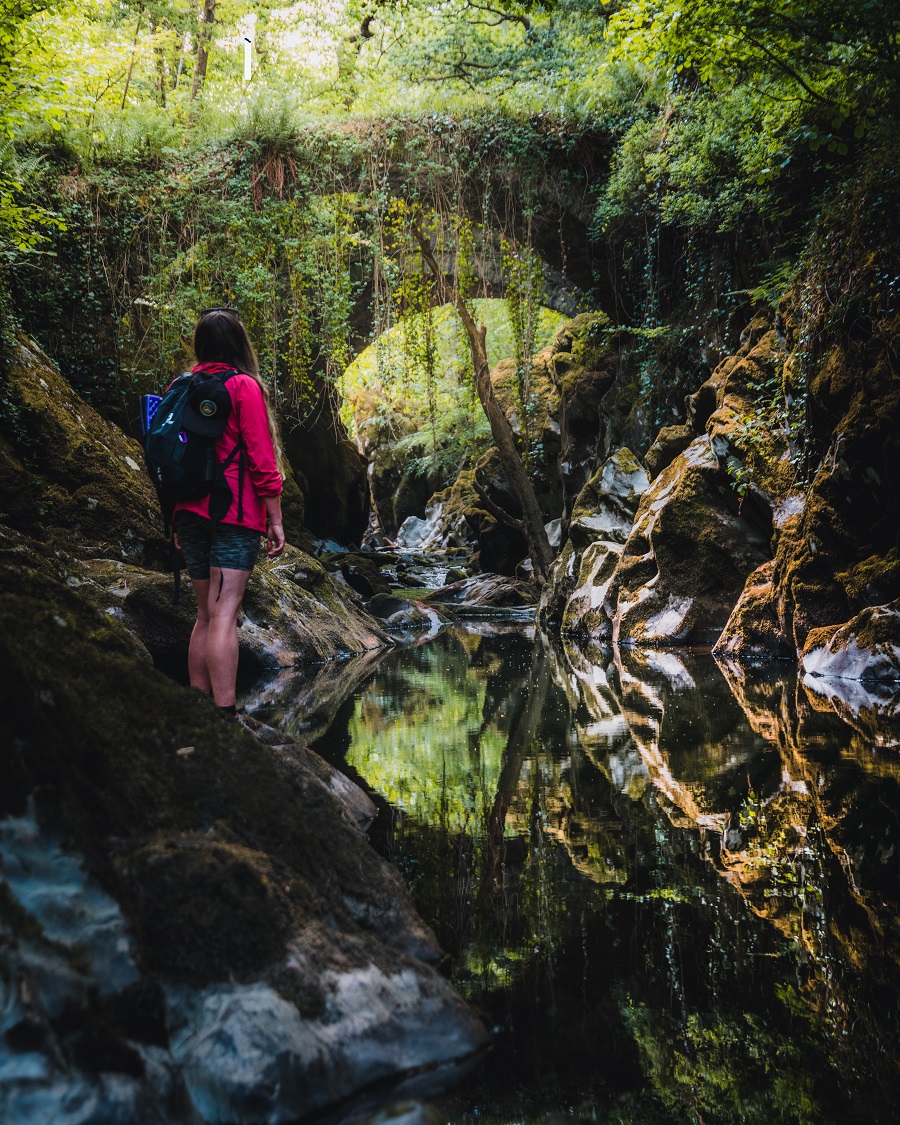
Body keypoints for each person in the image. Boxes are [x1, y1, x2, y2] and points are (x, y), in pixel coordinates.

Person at [172, 308, 286, 716]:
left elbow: (170, 456)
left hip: (187, 510)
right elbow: (261, 458)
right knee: (225, 613)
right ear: (240, 343)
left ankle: (197, 709)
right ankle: (225, 714)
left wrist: (176, 516)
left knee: (203, 614)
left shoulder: (182, 385)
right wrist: (274, 520)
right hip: (234, 514)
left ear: (201, 344)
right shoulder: (243, 387)